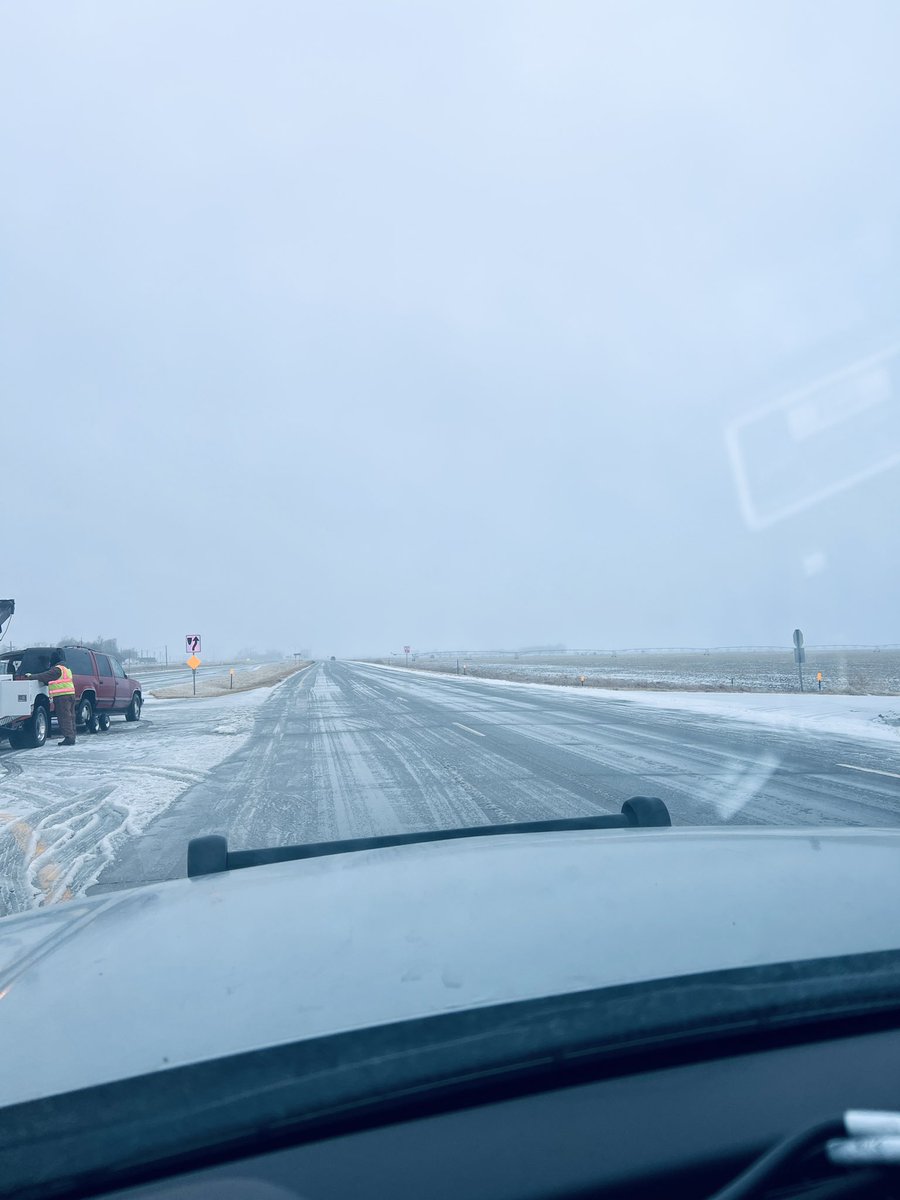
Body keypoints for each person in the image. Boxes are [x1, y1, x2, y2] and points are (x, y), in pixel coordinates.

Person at [28, 650, 77, 746]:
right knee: (71, 716)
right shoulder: (66, 669)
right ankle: (72, 736)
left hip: (62, 697)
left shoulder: (57, 669)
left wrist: (31, 676)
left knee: (64, 717)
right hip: (70, 694)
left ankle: (68, 738)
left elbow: (45, 676)